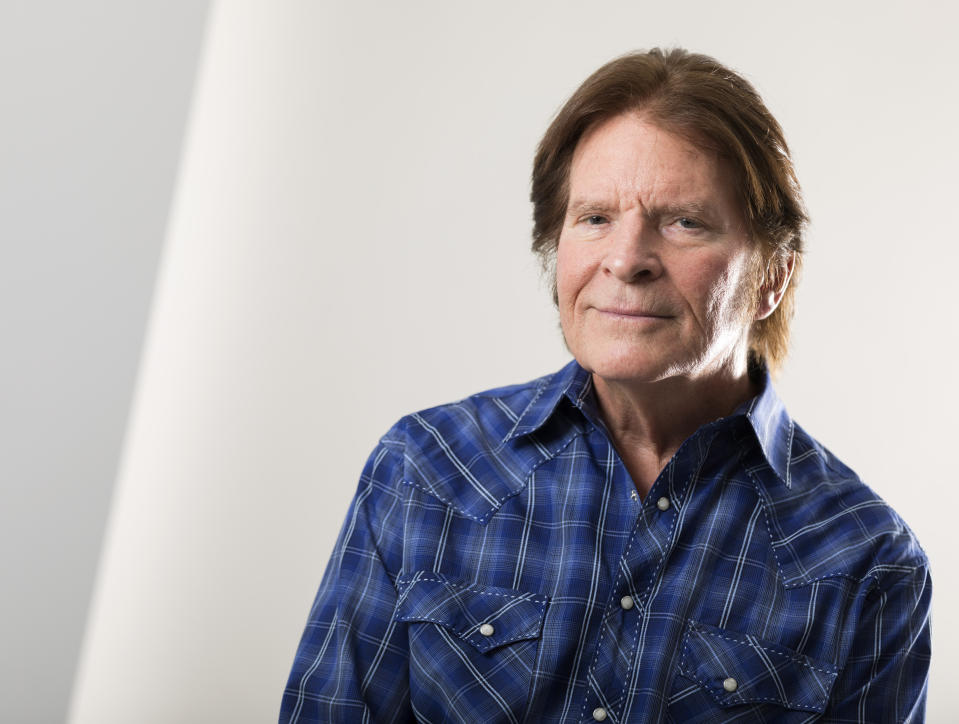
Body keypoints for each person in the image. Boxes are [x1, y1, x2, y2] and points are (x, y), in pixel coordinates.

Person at [279, 48, 931, 723]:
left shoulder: (864, 561)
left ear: (770, 278)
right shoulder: (427, 470)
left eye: (683, 222)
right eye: (593, 218)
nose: (624, 260)